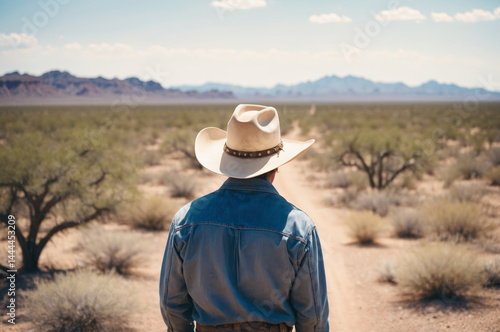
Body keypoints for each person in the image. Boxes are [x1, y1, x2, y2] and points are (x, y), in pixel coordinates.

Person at [159, 104, 329, 332]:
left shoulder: (186, 220)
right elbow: (313, 316)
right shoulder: (299, 227)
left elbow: (172, 304)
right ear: (275, 168)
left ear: (228, 161)